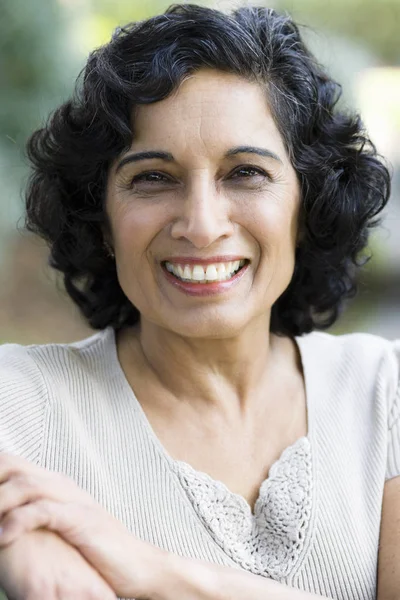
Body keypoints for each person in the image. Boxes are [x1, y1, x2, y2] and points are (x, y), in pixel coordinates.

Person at [0, 3, 398, 599]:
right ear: (103, 221)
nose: (202, 224)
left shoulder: (384, 395)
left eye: (245, 173)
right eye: (153, 178)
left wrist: (155, 572)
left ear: (305, 207)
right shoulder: (18, 403)